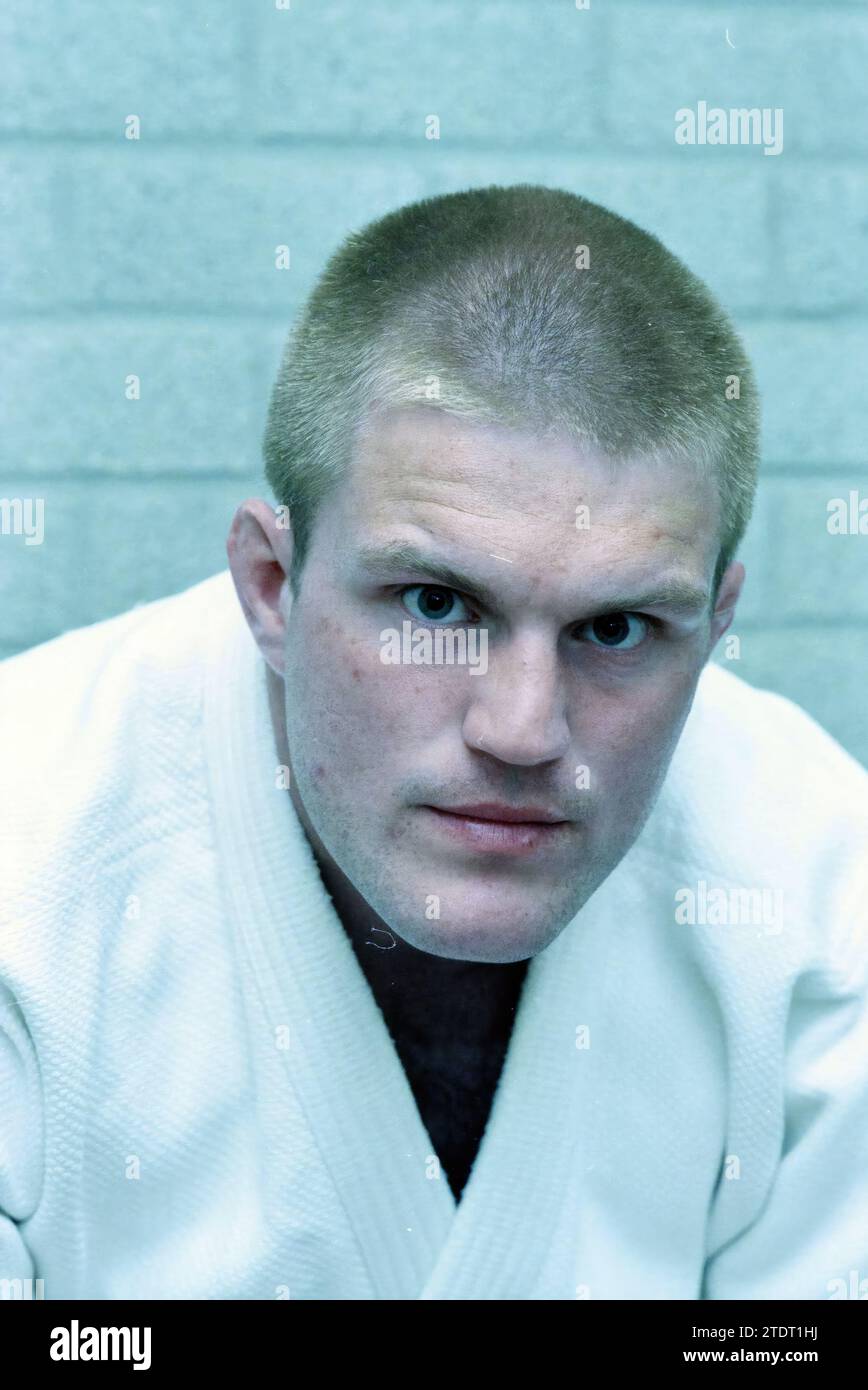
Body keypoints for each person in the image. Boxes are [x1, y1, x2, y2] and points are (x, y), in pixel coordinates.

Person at [1, 185, 866, 1302]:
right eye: (436, 606)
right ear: (270, 586)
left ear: (715, 626)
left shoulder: (820, 905)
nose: (522, 729)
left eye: (617, 629)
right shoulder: (28, 864)